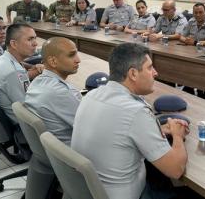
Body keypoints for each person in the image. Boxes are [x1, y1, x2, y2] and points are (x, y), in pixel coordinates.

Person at [71, 43, 189, 199]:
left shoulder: (92, 95)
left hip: (88, 191)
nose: (155, 73)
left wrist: (156, 129)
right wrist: (178, 135)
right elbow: (175, 170)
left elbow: (120, 130)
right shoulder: (136, 112)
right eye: (150, 67)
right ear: (133, 74)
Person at [25, 37, 82, 145]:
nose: (78, 60)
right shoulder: (61, 93)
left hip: (53, 149)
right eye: (71, 55)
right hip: (74, 153)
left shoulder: (37, 81)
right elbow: (88, 128)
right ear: (53, 61)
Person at [0, 23, 43, 123]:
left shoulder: (5, 60)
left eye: (35, 38)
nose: (35, 43)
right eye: (30, 39)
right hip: (24, 124)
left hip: (17, 116)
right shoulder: (12, 72)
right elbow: (27, 107)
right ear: (14, 44)